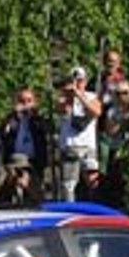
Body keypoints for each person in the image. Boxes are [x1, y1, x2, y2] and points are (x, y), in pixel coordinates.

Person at [54, 66, 102, 201]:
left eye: (80, 81)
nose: (77, 84)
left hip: (87, 147)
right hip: (70, 146)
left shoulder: (91, 97)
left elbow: (96, 111)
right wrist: (69, 96)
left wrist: (80, 95)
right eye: (73, 80)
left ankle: (95, 204)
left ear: (85, 82)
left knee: (93, 179)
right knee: (68, 184)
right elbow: (62, 109)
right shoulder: (63, 99)